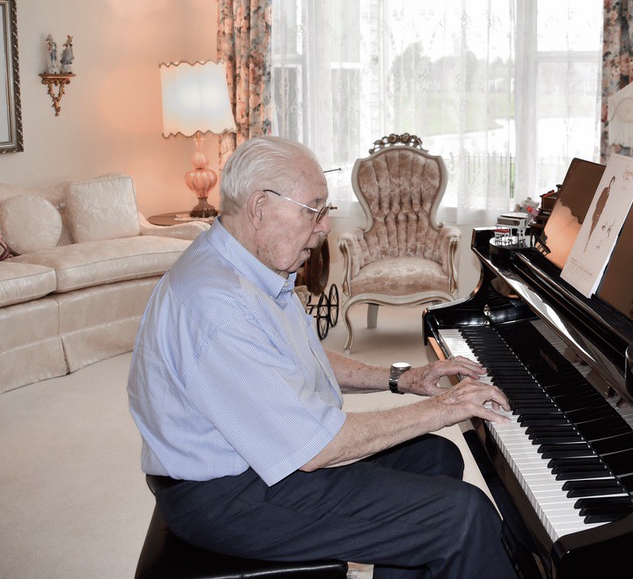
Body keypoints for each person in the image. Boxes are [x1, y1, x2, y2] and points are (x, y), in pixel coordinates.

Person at [127, 136, 517, 579]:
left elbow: (302, 358)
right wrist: (443, 407)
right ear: (259, 207)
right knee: (463, 516)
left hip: (254, 465)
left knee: (434, 458)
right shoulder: (215, 303)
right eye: (312, 209)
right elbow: (317, 446)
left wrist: (402, 377)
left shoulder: (252, 269)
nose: (325, 226)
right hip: (226, 497)